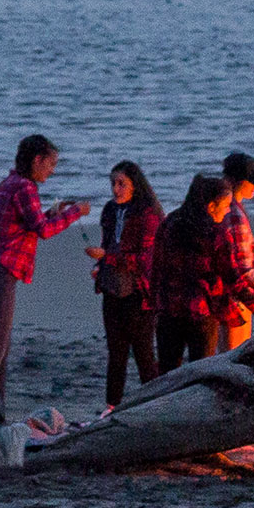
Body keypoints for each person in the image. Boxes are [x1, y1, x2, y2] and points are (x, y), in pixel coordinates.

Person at [0, 134, 90, 400]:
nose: (53, 170)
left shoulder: (9, 183)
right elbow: (44, 231)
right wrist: (75, 213)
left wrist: (53, 213)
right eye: (51, 163)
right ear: (37, 160)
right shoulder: (24, 187)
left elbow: (28, 223)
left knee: (0, 348)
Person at [152, 174, 254, 372]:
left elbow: (155, 267)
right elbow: (232, 277)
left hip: (167, 310)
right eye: (224, 206)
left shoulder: (170, 222)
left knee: (168, 373)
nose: (227, 212)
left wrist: (154, 302)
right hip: (201, 311)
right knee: (201, 371)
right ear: (211, 205)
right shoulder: (215, 233)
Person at [84, 160, 162, 409]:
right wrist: (100, 267)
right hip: (112, 288)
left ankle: (154, 405)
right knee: (115, 352)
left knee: (143, 352)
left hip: (139, 291)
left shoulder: (148, 214)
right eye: (113, 184)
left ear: (134, 185)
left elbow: (145, 260)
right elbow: (108, 242)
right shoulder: (109, 210)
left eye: (122, 184)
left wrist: (107, 258)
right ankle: (111, 407)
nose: (116, 189)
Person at [215, 151, 254, 352]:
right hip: (237, 299)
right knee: (235, 355)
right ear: (234, 181)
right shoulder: (234, 214)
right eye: (251, 181)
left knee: (227, 353)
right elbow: (244, 268)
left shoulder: (226, 208)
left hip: (228, 296)